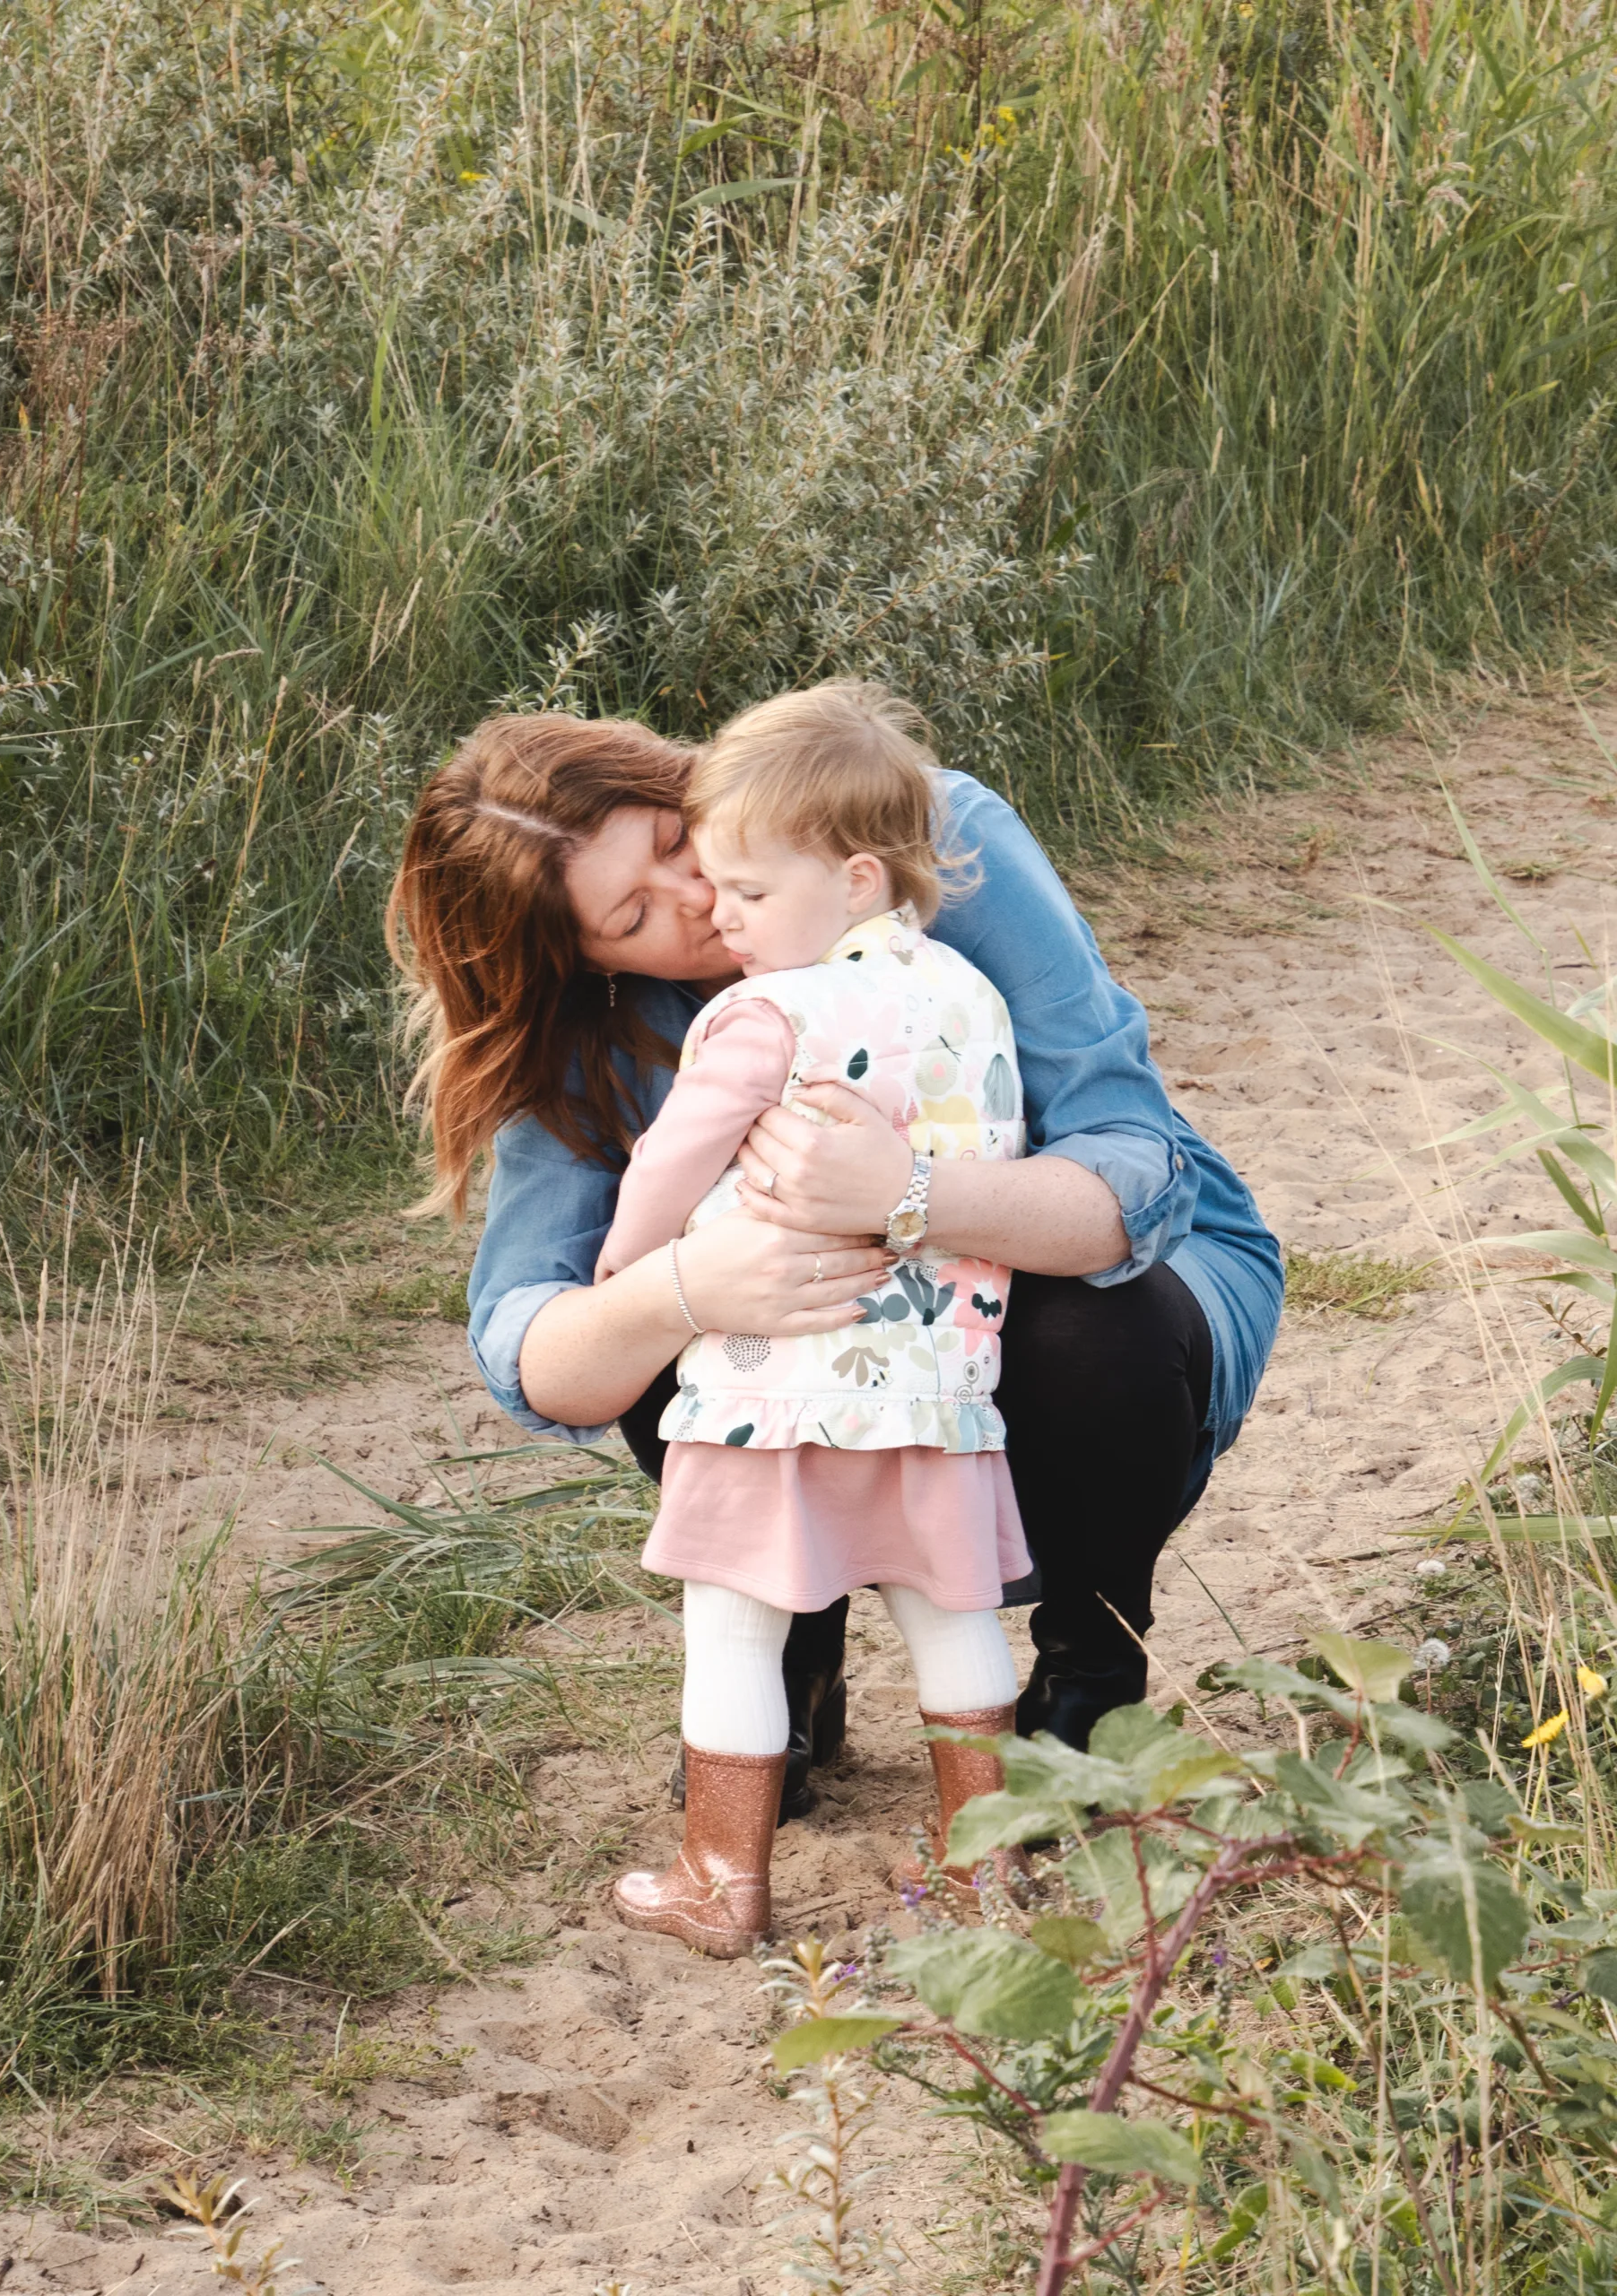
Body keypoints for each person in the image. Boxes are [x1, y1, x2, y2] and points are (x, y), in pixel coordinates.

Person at [387, 689, 1282, 1831]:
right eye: (632, 915)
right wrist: (685, 1287)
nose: (700, 902)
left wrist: (911, 1195)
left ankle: (1091, 1682)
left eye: (673, 843)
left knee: (1083, 1321)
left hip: (1114, 1285)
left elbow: (1138, 1172)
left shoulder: (910, 829)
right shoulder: (595, 1034)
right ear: (586, 960)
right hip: (825, 1337)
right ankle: (788, 1667)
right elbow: (535, 1345)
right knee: (661, 1313)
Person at [592, 684, 1026, 1953]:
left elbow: (675, 1161)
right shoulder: (970, 1002)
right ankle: (983, 1873)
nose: (719, 918)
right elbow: (988, 1161)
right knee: (956, 1616)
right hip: (939, 1381)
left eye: (747, 892)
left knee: (732, 1617)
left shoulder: (763, 1010)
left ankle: (722, 1882)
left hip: (771, 1382)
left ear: (853, 877)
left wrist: (629, 1271)